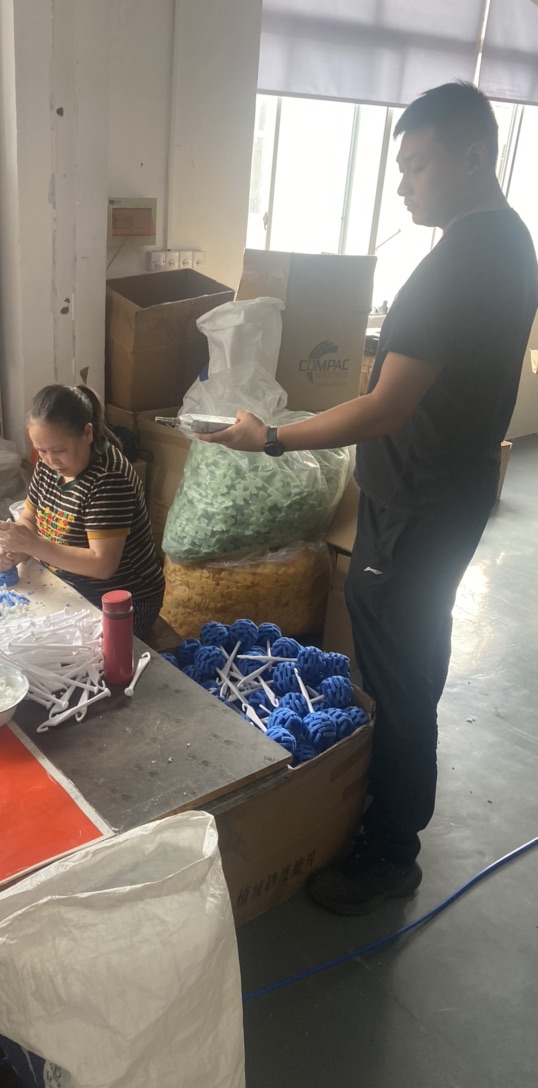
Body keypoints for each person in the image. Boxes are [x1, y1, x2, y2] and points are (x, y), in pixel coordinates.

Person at [199, 82, 538, 915]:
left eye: (417, 166)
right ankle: (394, 809)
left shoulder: (459, 265)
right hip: (450, 492)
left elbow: (385, 407)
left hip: (417, 504)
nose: (402, 186)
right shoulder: (510, 241)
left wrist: (271, 437)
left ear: (471, 156)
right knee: (414, 652)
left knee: (398, 671)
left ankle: (391, 852)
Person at [0, 384, 165, 637]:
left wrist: (32, 545)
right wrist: (16, 549)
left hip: (122, 603)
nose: (50, 460)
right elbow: (29, 518)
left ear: (87, 433)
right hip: (68, 588)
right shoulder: (49, 466)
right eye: (41, 451)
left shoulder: (108, 479)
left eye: (59, 450)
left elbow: (102, 565)